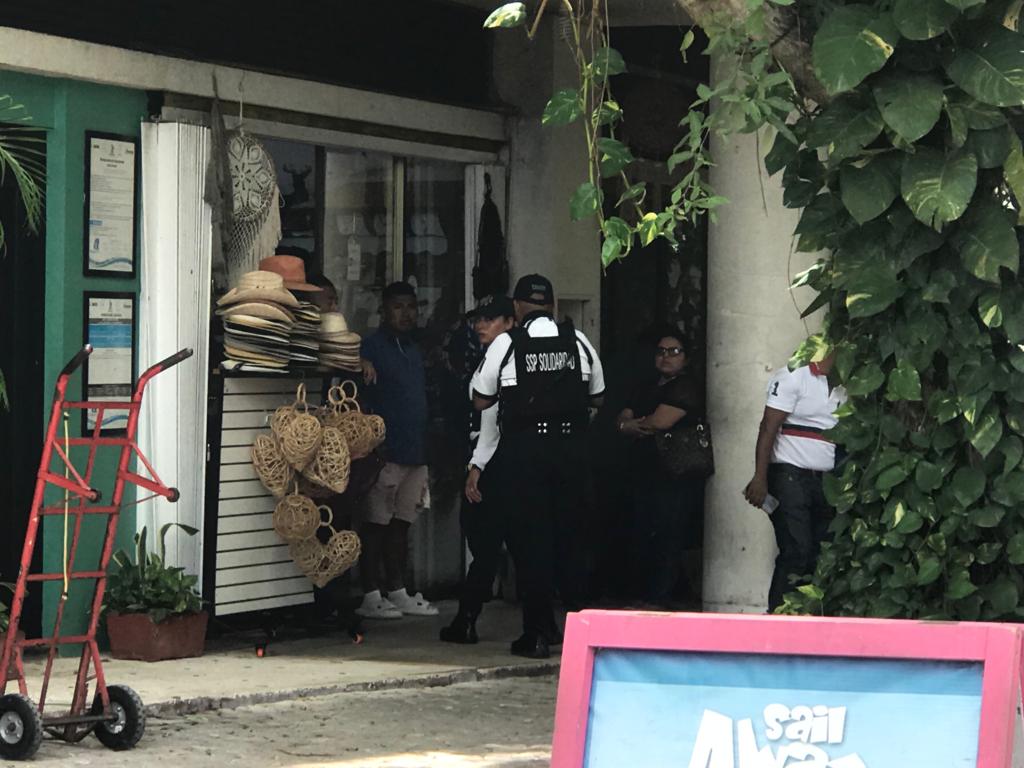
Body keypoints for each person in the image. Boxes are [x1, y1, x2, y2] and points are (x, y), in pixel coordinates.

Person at [471, 274, 605, 658]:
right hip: (572, 452)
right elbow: (598, 397)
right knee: (571, 541)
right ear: (552, 305)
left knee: (532, 544)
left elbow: (481, 398)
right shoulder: (578, 340)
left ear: (517, 308)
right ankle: (578, 634)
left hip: (527, 454)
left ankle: (536, 633)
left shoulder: (507, 344)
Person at [356, 281, 438, 619]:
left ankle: (398, 591)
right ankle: (370, 594)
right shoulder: (370, 348)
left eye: (411, 307)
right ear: (383, 311)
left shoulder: (415, 350)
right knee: (375, 525)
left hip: (415, 451)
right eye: (398, 307)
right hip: (384, 454)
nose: (406, 313)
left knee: (402, 525)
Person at [743, 352, 847, 611]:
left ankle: (806, 618)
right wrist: (760, 477)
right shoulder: (794, 376)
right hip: (789, 475)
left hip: (826, 479)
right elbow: (768, 426)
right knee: (796, 550)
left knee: (820, 554)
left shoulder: (848, 383)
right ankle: (779, 617)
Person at [440, 295, 515, 644]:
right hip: (494, 456)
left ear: (509, 322)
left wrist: (477, 465)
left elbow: (490, 419)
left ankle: (467, 619)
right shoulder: (489, 354)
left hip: (492, 458)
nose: (481, 325)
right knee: (491, 543)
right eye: (478, 320)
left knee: (485, 544)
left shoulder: (504, 355)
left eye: (490, 319)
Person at [614, 327, 702, 607]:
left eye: (674, 351)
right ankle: (645, 593)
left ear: (686, 357)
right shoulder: (646, 386)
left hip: (675, 473)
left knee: (669, 533)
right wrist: (629, 425)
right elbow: (622, 417)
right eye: (661, 351)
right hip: (644, 470)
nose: (666, 357)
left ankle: (662, 596)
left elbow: (660, 422)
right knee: (643, 530)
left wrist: (632, 425)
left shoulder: (686, 387)